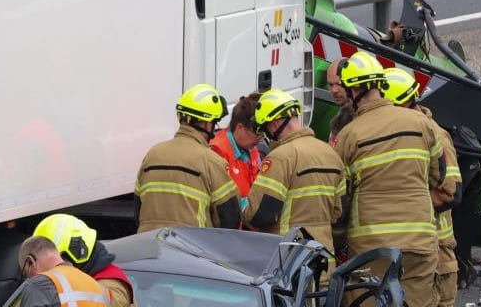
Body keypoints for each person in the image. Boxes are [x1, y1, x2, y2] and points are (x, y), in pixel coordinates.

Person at [334, 52, 451, 307]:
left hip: (373, 251)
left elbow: (340, 196)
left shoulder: (350, 135)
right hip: (420, 245)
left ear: (353, 92)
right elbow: (443, 181)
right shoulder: (421, 125)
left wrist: (337, 241)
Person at [382, 67, 466, 307]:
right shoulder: (411, 132)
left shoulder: (433, 134)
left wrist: (405, 202)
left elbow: (452, 192)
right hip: (423, 246)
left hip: (438, 250)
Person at [245, 88, 345, 256]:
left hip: (288, 262)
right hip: (323, 260)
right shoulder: (331, 155)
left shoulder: (280, 157)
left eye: (266, 128)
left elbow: (260, 215)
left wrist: (244, 211)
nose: (267, 136)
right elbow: (338, 214)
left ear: (275, 123)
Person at [136, 84, 240, 231]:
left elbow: (138, 208)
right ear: (206, 122)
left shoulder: (152, 154)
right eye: (214, 122)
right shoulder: (212, 161)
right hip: (191, 249)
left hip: (150, 247)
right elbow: (230, 218)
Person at [211, 93, 264, 204]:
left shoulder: (251, 148)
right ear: (240, 128)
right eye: (257, 135)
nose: (260, 139)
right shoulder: (218, 152)